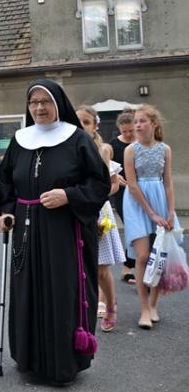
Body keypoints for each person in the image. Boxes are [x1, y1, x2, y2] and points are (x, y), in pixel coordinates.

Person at [0, 79, 109, 386]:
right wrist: (6, 211)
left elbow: (99, 183)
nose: (39, 107)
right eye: (33, 102)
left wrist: (68, 195)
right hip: (26, 231)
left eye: (45, 101)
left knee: (61, 292)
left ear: (58, 104)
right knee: (27, 291)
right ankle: (30, 360)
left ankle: (62, 365)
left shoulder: (77, 139)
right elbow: (7, 182)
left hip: (64, 231)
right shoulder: (20, 140)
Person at [123, 105, 176, 330]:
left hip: (160, 199)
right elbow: (132, 184)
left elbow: (168, 183)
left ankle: (154, 305)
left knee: (160, 254)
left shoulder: (165, 149)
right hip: (137, 203)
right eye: (135, 121)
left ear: (154, 124)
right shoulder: (130, 150)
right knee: (143, 256)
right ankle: (144, 308)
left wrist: (170, 211)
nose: (137, 125)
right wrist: (151, 213)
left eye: (142, 121)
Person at [77, 105, 125, 333]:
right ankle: (86, 305)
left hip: (98, 210)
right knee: (79, 266)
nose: (81, 126)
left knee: (101, 268)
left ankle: (111, 305)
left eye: (86, 122)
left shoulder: (103, 149)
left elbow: (113, 184)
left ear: (95, 125)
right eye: (77, 121)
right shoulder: (67, 149)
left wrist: (97, 195)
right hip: (76, 210)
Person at [109, 109, 137, 284]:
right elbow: (105, 163)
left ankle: (136, 266)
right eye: (124, 131)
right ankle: (128, 267)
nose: (127, 134)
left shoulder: (141, 143)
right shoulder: (113, 144)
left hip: (141, 190)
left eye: (130, 131)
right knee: (132, 227)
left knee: (143, 230)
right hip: (122, 193)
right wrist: (114, 175)